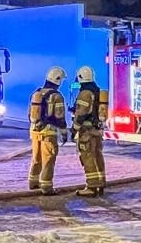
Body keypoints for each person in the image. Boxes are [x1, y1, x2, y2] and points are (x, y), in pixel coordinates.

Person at [28, 66, 67, 195]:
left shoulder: (36, 93)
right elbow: (60, 116)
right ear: (58, 80)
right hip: (48, 132)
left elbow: (30, 114)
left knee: (36, 158)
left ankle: (33, 182)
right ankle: (46, 187)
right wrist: (64, 131)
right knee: (48, 160)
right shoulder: (56, 96)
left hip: (34, 131)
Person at [71, 65, 106, 197]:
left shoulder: (85, 93)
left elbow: (81, 113)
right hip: (96, 130)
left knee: (87, 157)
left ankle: (91, 187)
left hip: (87, 131)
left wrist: (74, 128)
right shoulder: (96, 91)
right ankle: (100, 183)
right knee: (97, 156)